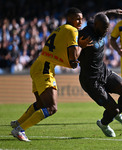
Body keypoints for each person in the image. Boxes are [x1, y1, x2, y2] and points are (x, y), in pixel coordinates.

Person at [10, 7, 91, 142]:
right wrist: (81, 46)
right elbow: (73, 62)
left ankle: (18, 123)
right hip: (45, 68)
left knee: (41, 103)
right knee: (52, 108)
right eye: (78, 18)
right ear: (69, 18)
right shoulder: (72, 30)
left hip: (38, 65)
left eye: (82, 19)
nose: (80, 21)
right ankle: (20, 129)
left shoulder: (60, 28)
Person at [78, 11, 122, 137]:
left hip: (104, 72)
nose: (105, 31)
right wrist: (79, 47)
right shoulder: (84, 35)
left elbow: (99, 14)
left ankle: (115, 114)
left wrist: (112, 11)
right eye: (104, 28)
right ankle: (104, 123)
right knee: (113, 109)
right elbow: (72, 52)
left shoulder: (96, 23)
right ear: (96, 25)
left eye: (107, 28)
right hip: (90, 81)